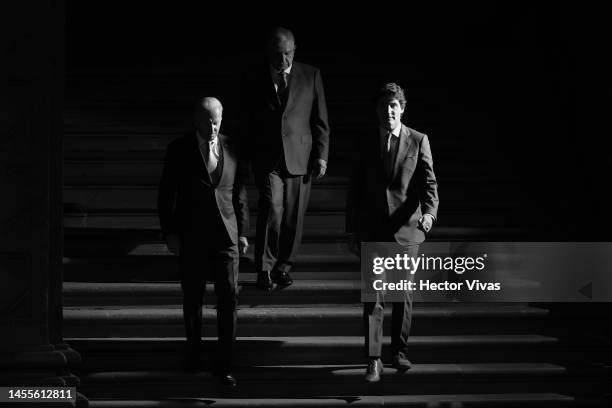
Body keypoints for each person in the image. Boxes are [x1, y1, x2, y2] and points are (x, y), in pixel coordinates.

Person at [346, 83, 439, 382]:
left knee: (402, 295)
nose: (389, 111)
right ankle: (373, 359)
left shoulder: (418, 140)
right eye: (384, 106)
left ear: (402, 108)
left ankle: (399, 351)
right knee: (373, 298)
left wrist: (429, 213)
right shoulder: (364, 142)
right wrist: (351, 230)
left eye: (394, 106)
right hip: (372, 229)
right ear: (377, 109)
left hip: (406, 231)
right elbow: (354, 191)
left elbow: (429, 184)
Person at [157, 97, 249, 387]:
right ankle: (194, 356)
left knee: (229, 299)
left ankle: (224, 365)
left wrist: (243, 232)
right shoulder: (178, 149)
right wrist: (170, 232)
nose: (212, 126)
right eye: (207, 120)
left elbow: (240, 194)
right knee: (192, 299)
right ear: (195, 120)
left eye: (217, 120)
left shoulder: (233, 147)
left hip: (227, 237)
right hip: (192, 236)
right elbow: (166, 195)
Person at [242, 26, 330, 291]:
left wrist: (322, 156)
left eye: (288, 54)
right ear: (269, 51)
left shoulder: (311, 75)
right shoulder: (254, 76)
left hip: (300, 157)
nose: (283, 61)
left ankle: (283, 267)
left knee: (294, 217)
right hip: (267, 158)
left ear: (295, 49)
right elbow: (247, 120)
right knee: (271, 208)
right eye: (278, 54)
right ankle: (264, 268)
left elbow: (321, 120)